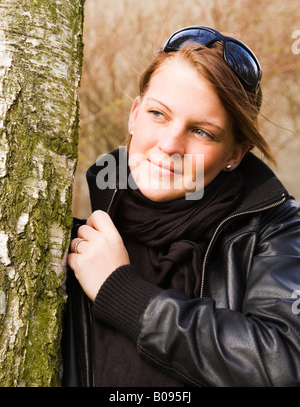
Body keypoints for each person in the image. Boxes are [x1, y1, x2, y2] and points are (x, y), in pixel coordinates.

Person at [62, 26, 300, 387]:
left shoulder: (275, 233)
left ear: (234, 154)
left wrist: (123, 293)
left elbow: (285, 365)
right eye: (158, 114)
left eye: (202, 131)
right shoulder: (66, 235)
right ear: (134, 114)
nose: (170, 144)